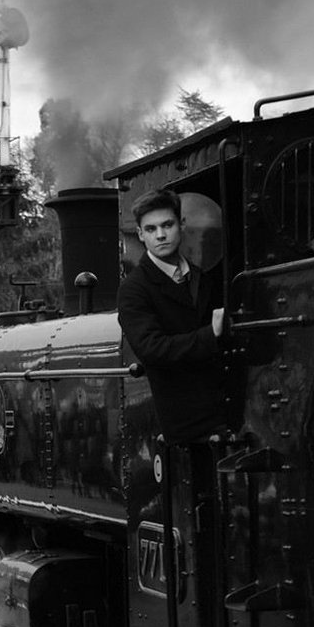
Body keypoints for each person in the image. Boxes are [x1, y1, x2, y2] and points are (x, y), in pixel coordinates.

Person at [117, 189, 229, 443]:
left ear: (181, 225)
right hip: (184, 422)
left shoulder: (204, 277)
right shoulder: (134, 289)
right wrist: (211, 336)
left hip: (223, 411)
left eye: (167, 225)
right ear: (140, 235)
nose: (161, 235)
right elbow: (152, 349)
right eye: (151, 229)